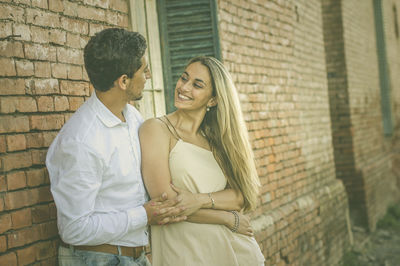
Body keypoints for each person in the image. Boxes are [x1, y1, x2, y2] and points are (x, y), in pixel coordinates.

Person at [46, 28, 185, 266]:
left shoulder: (133, 117)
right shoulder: (82, 141)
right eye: (143, 69)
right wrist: (144, 215)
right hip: (97, 260)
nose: (148, 75)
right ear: (123, 81)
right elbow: (74, 229)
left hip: (135, 257)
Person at [139, 56, 265, 266]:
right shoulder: (156, 129)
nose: (184, 87)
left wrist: (199, 200)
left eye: (197, 85)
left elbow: (239, 196)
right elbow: (166, 204)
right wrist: (227, 218)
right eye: (184, 78)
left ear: (213, 100)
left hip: (234, 253)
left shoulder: (215, 140)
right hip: (183, 254)